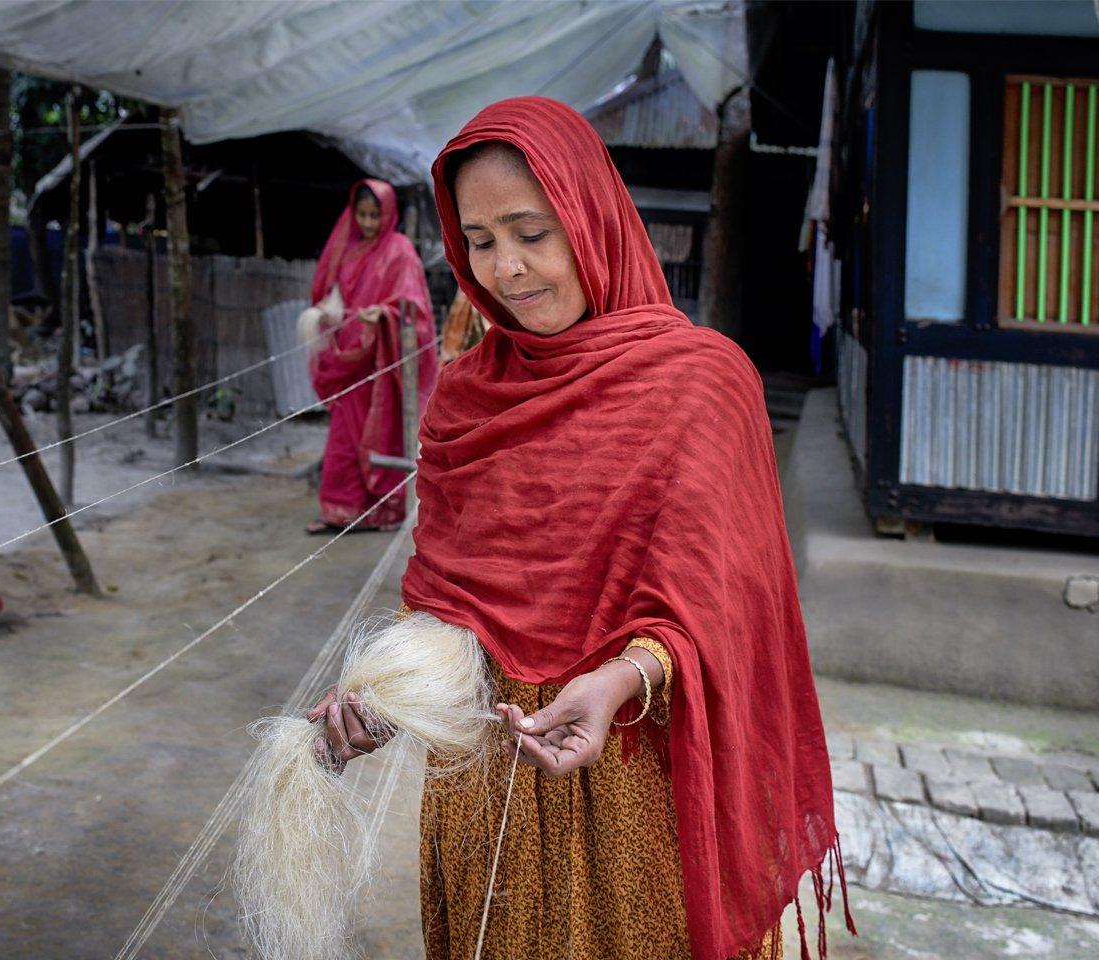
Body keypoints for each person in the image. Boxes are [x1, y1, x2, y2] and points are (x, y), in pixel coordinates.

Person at [308, 99, 844, 960]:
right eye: (480, 241)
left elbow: (731, 609)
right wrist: (391, 693)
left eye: (531, 231)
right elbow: (448, 599)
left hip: (639, 777)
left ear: (590, 218)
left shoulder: (702, 384)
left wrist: (625, 676)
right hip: (489, 785)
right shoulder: (466, 397)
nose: (507, 269)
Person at [305, 179, 437, 534]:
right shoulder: (348, 253)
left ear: (388, 213)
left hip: (381, 363)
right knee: (343, 443)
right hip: (350, 360)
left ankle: (381, 512)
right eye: (361, 215)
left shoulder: (400, 251)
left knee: (378, 435)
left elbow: (416, 308)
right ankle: (339, 512)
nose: (366, 223)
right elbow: (336, 296)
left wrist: (383, 314)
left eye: (374, 215)